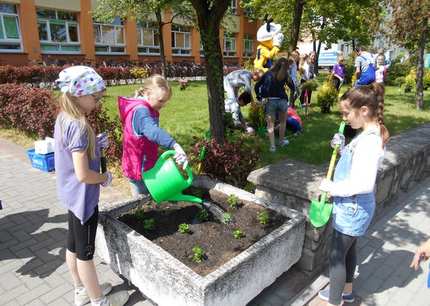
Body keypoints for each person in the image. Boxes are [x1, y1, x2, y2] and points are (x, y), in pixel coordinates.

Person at [54, 66, 129, 306]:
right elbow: (84, 174)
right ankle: (98, 301)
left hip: (70, 196)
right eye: (94, 98)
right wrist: (104, 178)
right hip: (83, 200)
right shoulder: (78, 125)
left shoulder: (64, 117)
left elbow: (71, 152)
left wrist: (93, 145)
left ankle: (81, 290)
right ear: (79, 95)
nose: (97, 103)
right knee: (86, 255)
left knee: (72, 246)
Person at [317, 83, 390, 306]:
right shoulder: (368, 134)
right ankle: (346, 292)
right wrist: (344, 147)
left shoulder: (369, 142)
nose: (345, 118)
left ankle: (334, 301)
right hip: (353, 205)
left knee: (336, 257)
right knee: (349, 251)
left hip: (353, 206)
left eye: (347, 112)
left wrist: (331, 187)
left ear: (364, 110)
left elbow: (363, 183)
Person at [118, 75, 188, 198]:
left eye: (166, 101)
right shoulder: (141, 111)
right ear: (148, 94)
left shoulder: (146, 107)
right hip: (138, 167)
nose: (163, 104)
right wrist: (174, 145)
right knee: (142, 201)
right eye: (161, 100)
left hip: (143, 162)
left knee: (148, 199)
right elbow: (152, 131)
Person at [255, 57, 293, 152]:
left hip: (270, 101)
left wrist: (259, 97)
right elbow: (293, 87)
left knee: (270, 125)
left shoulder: (268, 73)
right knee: (283, 122)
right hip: (282, 101)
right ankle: (281, 141)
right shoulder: (285, 75)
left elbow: (257, 86)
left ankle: (272, 147)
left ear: (275, 63)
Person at [223, 69, 256, 133]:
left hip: (233, 84)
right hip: (228, 82)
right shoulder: (247, 76)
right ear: (241, 100)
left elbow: (247, 93)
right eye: (245, 103)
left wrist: (245, 125)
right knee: (233, 102)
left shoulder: (237, 105)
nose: (245, 105)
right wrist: (245, 128)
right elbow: (236, 123)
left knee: (234, 103)